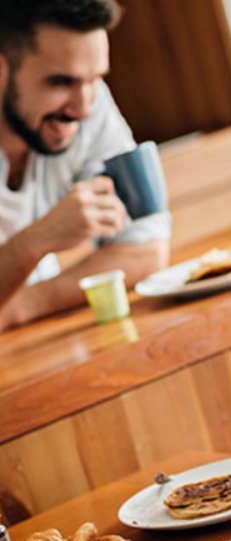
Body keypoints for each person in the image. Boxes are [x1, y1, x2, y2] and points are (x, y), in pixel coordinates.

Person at [0, 0, 171, 331]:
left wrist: (19, 306)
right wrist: (37, 239)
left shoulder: (90, 103)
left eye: (94, 79)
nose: (84, 110)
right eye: (61, 82)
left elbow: (146, 249)